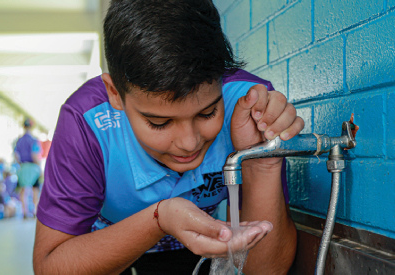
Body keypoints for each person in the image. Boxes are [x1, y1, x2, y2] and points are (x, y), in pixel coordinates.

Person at [33, 0, 304, 274]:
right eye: (159, 122)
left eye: (208, 112)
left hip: (195, 253)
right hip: (103, 252)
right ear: (115, 93)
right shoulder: (86, 123)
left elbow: (265, 271)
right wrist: (158, 219)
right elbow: (50, 266)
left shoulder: (249, 107)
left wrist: (260, 162)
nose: (189, 143)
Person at [14, 118, 42, 218]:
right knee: (35, 190)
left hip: (23, 167)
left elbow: (16, 156)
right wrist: (39, 167)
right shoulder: (34, 140)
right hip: (32, 167)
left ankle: (25, 212)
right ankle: (35, 211)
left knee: (23, 190)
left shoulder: (18, 141)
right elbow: (35, 155)